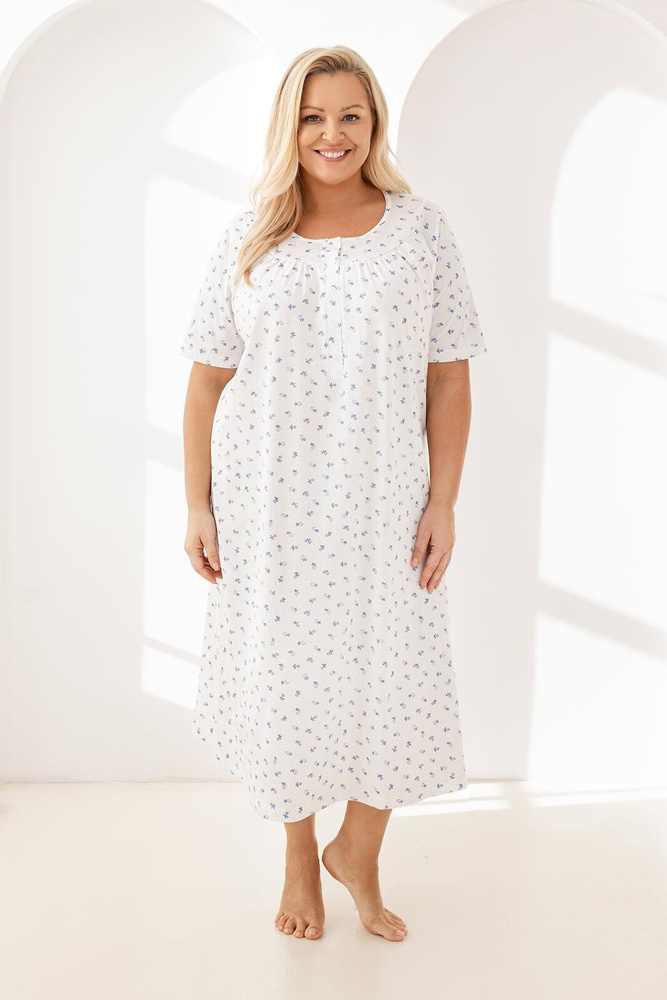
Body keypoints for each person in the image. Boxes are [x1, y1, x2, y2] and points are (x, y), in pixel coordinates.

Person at [180, 45, 487, 944]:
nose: (331, 133)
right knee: (288, 680)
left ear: (373, 124)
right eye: (313, 116)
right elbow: (206, 380)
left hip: (385, 500)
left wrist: (443, 503)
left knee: (394, 673)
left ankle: (358, 848)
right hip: (267, 503)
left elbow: (449, 375)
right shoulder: (249, 236)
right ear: (290, 126)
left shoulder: (419, 229)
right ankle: (295, 857)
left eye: (350, 115)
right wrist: (198, 505)